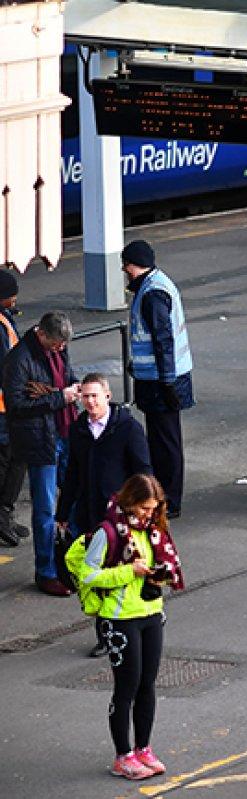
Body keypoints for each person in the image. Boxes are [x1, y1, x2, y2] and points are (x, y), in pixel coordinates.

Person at [65, 474, 183, 781]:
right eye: (144, 508)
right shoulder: (107, 533)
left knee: (147, 686)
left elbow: (166, 563)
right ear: (129, 502)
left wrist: (161, 574)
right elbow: (89, 576)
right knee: (126, 689)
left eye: (154, 509)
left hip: (151, 614)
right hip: (120, 620)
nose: (149, 515)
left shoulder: (154, 531)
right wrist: (128, 571)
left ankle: (143, 748)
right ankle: (122, 756)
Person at [57, 373, 153, 657]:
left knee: (121, 573)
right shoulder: (79, 430)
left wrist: (144, 510)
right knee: (96, 576)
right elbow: (72, 474)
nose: (90, 401)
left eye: (95, 396)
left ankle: (131, 628)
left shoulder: (128, 429)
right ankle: (105, 633)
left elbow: (143, 472)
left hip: (121, 519)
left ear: (108, 397)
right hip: (90, 516)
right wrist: (63, 513)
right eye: (85, 396)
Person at [2, 311, 79, 596]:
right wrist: (59, 396)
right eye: (57, 344)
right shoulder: (19, 360)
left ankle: (72, 561)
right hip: (40, 442)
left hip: (64, 431)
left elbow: (67, 378)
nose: (61, 349)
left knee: (73, 499)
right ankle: (46, 572)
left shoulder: (58, 349)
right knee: (45, 509)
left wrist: (69, 389)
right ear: (42, 334)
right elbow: (17, 405)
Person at [121, 240, 193, 518]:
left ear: (130, 265)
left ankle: (169, 500)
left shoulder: (152, 293)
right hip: (160, 377)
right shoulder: (157, 283)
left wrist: (166, 381)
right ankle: (164, 496)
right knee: (165, 440)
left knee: (165, 442)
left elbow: (163, 340)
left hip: (160, 381)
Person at [0, 271, 30, 547]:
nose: (15, 298)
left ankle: (5, 514)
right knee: (9, 460)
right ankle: (2, 517)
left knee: (15, 459)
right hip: (4, 407)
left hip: (8, 404)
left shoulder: (4, 320)